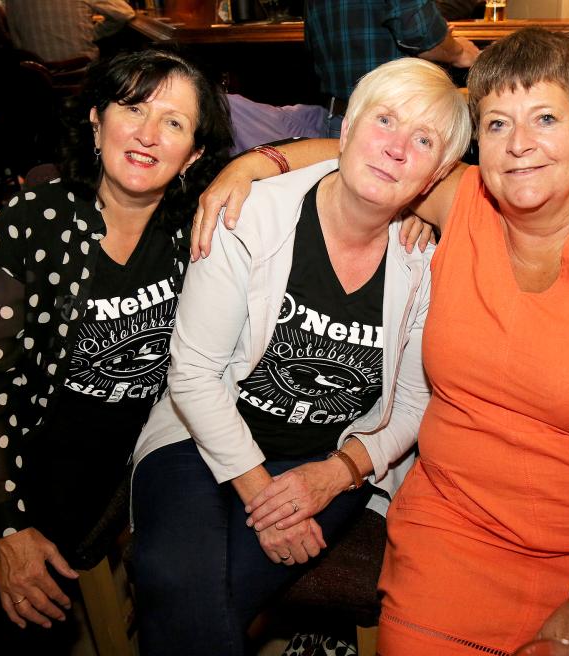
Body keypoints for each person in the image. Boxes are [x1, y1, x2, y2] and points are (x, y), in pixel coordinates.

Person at [192, 26, 569, 656]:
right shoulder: (464, 198)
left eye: (544, 118)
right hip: (459, 531)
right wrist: (257, 163)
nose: (519, 145)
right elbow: (368, 152)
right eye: (496, 124)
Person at [130, 56, 471, 656]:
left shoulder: (426, 260)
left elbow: (417, 398)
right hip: (199, 436)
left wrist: (338, 473)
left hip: (324, 459)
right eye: (384, 121)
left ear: (436, 175)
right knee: (175, 576)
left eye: (422, 140)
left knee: (207, 596)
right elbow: (194, 373)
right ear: (346, 130)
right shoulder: (248, 216)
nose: (395, 148)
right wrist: (266, 498)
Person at [0, 44, 233, 654]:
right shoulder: (34, 219)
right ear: (96, 120)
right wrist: (4, 524)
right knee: (12, 609)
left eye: (174, 123)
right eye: (132, 108)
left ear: (194, 154)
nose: (149, 134)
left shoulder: (199, 226)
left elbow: (332, 163)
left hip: (159, 435)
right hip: (45, 438)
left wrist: (251, 170)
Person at [305, 0, 480, 137]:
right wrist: (460, 52)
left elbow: (311, 43)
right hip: (401, 123)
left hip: (339, 118)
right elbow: (422, 33)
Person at [5, 0, 135, 62]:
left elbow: (16, 39)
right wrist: (94, 33)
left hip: (37, 80)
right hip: (81, 75)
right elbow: (124, 13)